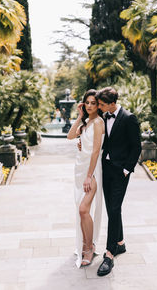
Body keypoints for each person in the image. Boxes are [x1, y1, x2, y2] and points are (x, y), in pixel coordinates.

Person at [95, 87, 142, 276]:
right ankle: (120, 243)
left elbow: (136, 146)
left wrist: (126, 169)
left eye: (102, 104)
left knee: (114, 209)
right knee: (112, 209)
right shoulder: (105, 116)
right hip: (105, 170)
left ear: (112, 103)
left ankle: (109, 254)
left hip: (120, 172)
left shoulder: (129, 118)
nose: (99, 107)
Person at [67, 89, 105, 268]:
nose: (90, 106)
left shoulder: (98, 122)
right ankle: (84, 245)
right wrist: (79, 116)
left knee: (84, 209)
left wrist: (89, 176)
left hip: (93, 169)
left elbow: (96, 150)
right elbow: (70, 136)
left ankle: (89, 247)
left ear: (99, 105)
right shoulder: (87, 122)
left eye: (93, 103)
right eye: (87, 103)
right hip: (80, 168)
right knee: (80, 209)